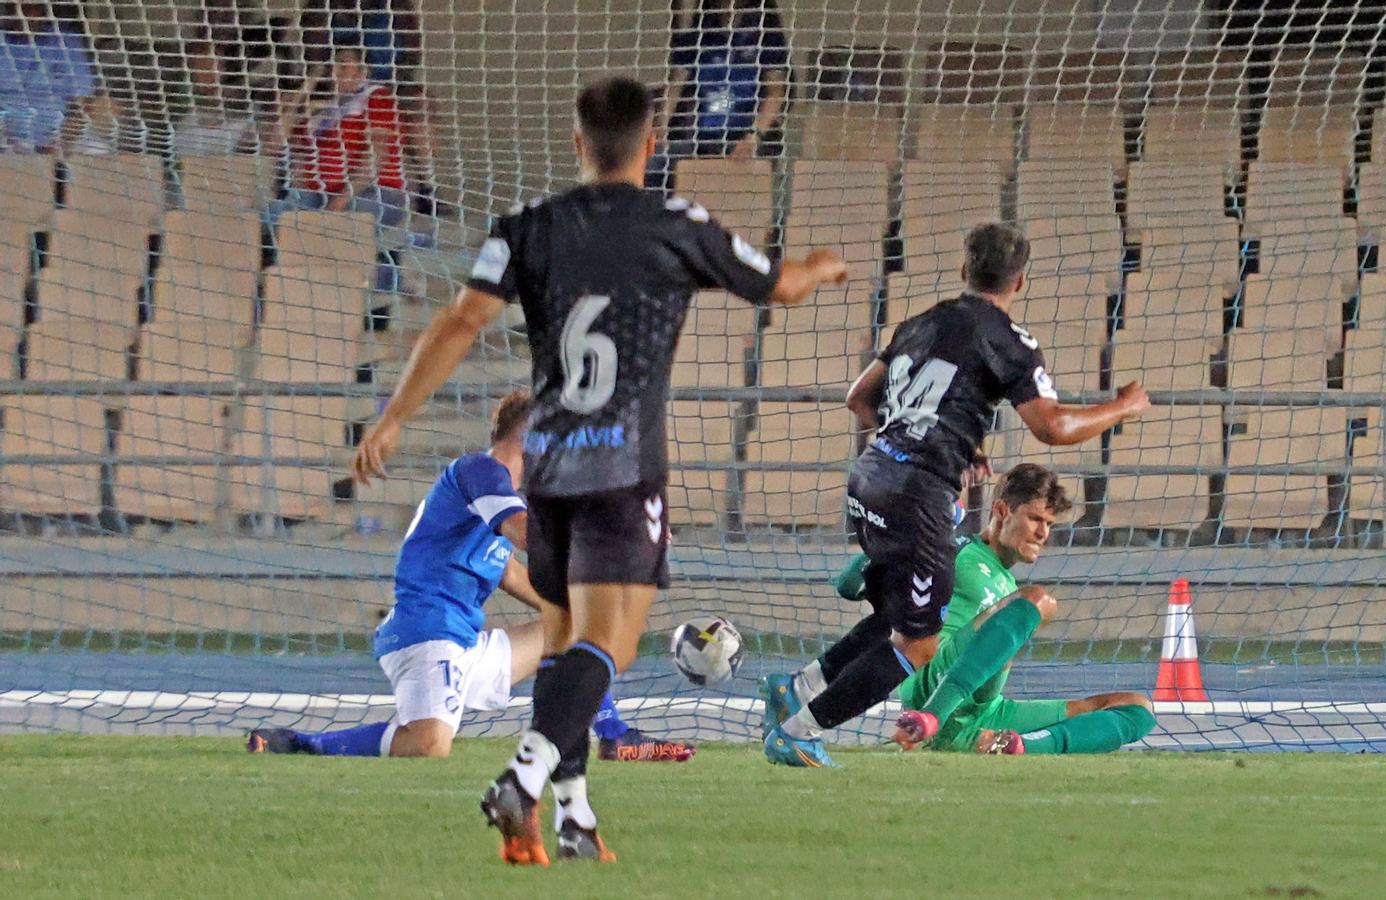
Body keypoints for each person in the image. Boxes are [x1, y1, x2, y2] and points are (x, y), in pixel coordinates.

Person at [348, 75, 846, 864]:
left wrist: (394, 416)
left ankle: (574, 820)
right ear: (652, 143)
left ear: (578, 141)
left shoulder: (526, 226)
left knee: (562, 641)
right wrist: (819, 267)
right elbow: (779, 285)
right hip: (622, 467)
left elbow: (461, 318)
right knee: (610, 643)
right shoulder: (675, 222)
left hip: (547, 472)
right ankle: (522, 777)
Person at [760, 223, 1151, 768]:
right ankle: (799, 731)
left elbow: (859, 399)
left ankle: (798, 687)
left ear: (965, 272)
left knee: (901, 613)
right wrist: (1124, 407)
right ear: (1020, 280)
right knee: (920, 643)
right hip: (918, 493)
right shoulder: (1010, 341)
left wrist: (946, 444)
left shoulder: (920, 323)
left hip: (869, 477)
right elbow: (1053, 426)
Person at [770, 464, 1157, 757]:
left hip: (986, 711)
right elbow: (849, 585)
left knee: (1137, 708)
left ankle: (1014, 745)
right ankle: (931, 720)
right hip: (932, 685)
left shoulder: (1007, 584)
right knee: (1039, 601)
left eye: (1049, 523)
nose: (1043, 533)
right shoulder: (954, 550)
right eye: (1035, 518)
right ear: (1002, 510)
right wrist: (904, 538)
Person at [246, 392, 553, 759]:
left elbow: (510, 572)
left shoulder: (499, 493)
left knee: (573, 627)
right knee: (429, 746)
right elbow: (525, 535)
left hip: (462, 641)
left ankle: (608, 735)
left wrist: (569, 604)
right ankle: (302, 744)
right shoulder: (480, 470)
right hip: (429, 629)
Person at [267, 42, 408, 298]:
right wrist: (306, 88)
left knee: (341, 226)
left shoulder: (376, 97)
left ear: (363, 72)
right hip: (318, 195)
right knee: (272, 216)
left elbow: (378, 156)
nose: (336, 72)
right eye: (332, 67)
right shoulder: (323, 112)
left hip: (371, 192)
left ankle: (375, 285)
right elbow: (274, 146)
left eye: (344, 65)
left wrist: (342, 199)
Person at [646, 0, 787, 192]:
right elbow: (676, 85)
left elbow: (776, 92)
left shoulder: (765, 31)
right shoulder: (702, 27)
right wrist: (661, 128)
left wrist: (754, 136)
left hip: (743, 136)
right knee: (653, 163)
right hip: (701, 138)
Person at [0, 1, 97, 153]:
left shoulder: (65, 41)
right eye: (21, 8)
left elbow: (83, 103)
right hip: (7, 138)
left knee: (97, 151)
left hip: (59, 137)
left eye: (34, 8)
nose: (28, 15)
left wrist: (61, 141)